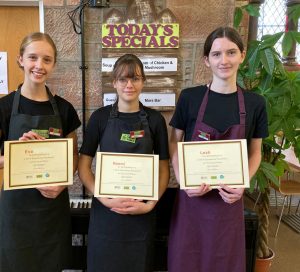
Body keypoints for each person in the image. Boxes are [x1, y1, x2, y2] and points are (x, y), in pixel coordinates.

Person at [168, 26, 268, 272]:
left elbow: (256, 151)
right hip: (192, 201)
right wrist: (183, 180)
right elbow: (174, 141)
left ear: (242, 55)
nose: (224, 60)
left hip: (228, 201)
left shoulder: (255, 103)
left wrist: (243, 182)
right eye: (216, 54)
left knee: (224, 262)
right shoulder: (189, 98)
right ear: (206, 60)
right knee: (186, 261)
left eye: (231, 52)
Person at [78, 53, 170, 272]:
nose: (129, 85)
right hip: (106, 215)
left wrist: (150, 203)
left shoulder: (155, 120)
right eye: (123, 79)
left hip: (141, 215)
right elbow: (83, 166)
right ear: (114, 83)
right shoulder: (99, 118)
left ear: (143, 82)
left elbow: (164, 170)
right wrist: (104, 199)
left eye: (135, 78)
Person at [0, 32, 81, 272]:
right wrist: (17, 155)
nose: (39, 65)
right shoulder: (4, 107)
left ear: (53, 64)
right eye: (33, 57)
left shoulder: (65, 109)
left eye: (47, 59)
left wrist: (63, 184)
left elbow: (73, 157)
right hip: (16, 211)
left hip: (51, 210)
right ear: (20, 60)